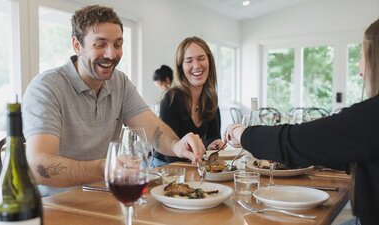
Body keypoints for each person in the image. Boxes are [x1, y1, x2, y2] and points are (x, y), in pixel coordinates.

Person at [22, 5, 205, 196]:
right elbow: (38, 166)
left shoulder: (120, 82)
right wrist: (106, 167)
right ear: (77, 45)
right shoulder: (47, 87)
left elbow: (153, 130)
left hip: (103, 196)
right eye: (100, 44)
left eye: (118, 44)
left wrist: (177, 146)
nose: (111, 54)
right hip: (54, 204)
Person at [224, 19, 379, 225]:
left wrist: (242, 133)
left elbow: (292, 141)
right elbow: (337, 150)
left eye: (362, 57)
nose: (360, 70)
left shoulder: (371, 117)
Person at [152, 36, 225, 167]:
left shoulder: (210, 97)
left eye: (201, 58)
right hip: (165, 166)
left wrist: (214, 144)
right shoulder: (171, 99)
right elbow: (170, 155)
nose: (196, 66)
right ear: (181, 68)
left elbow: (212, 136)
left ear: (209, 61)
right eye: (189, 61)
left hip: (192, 164)